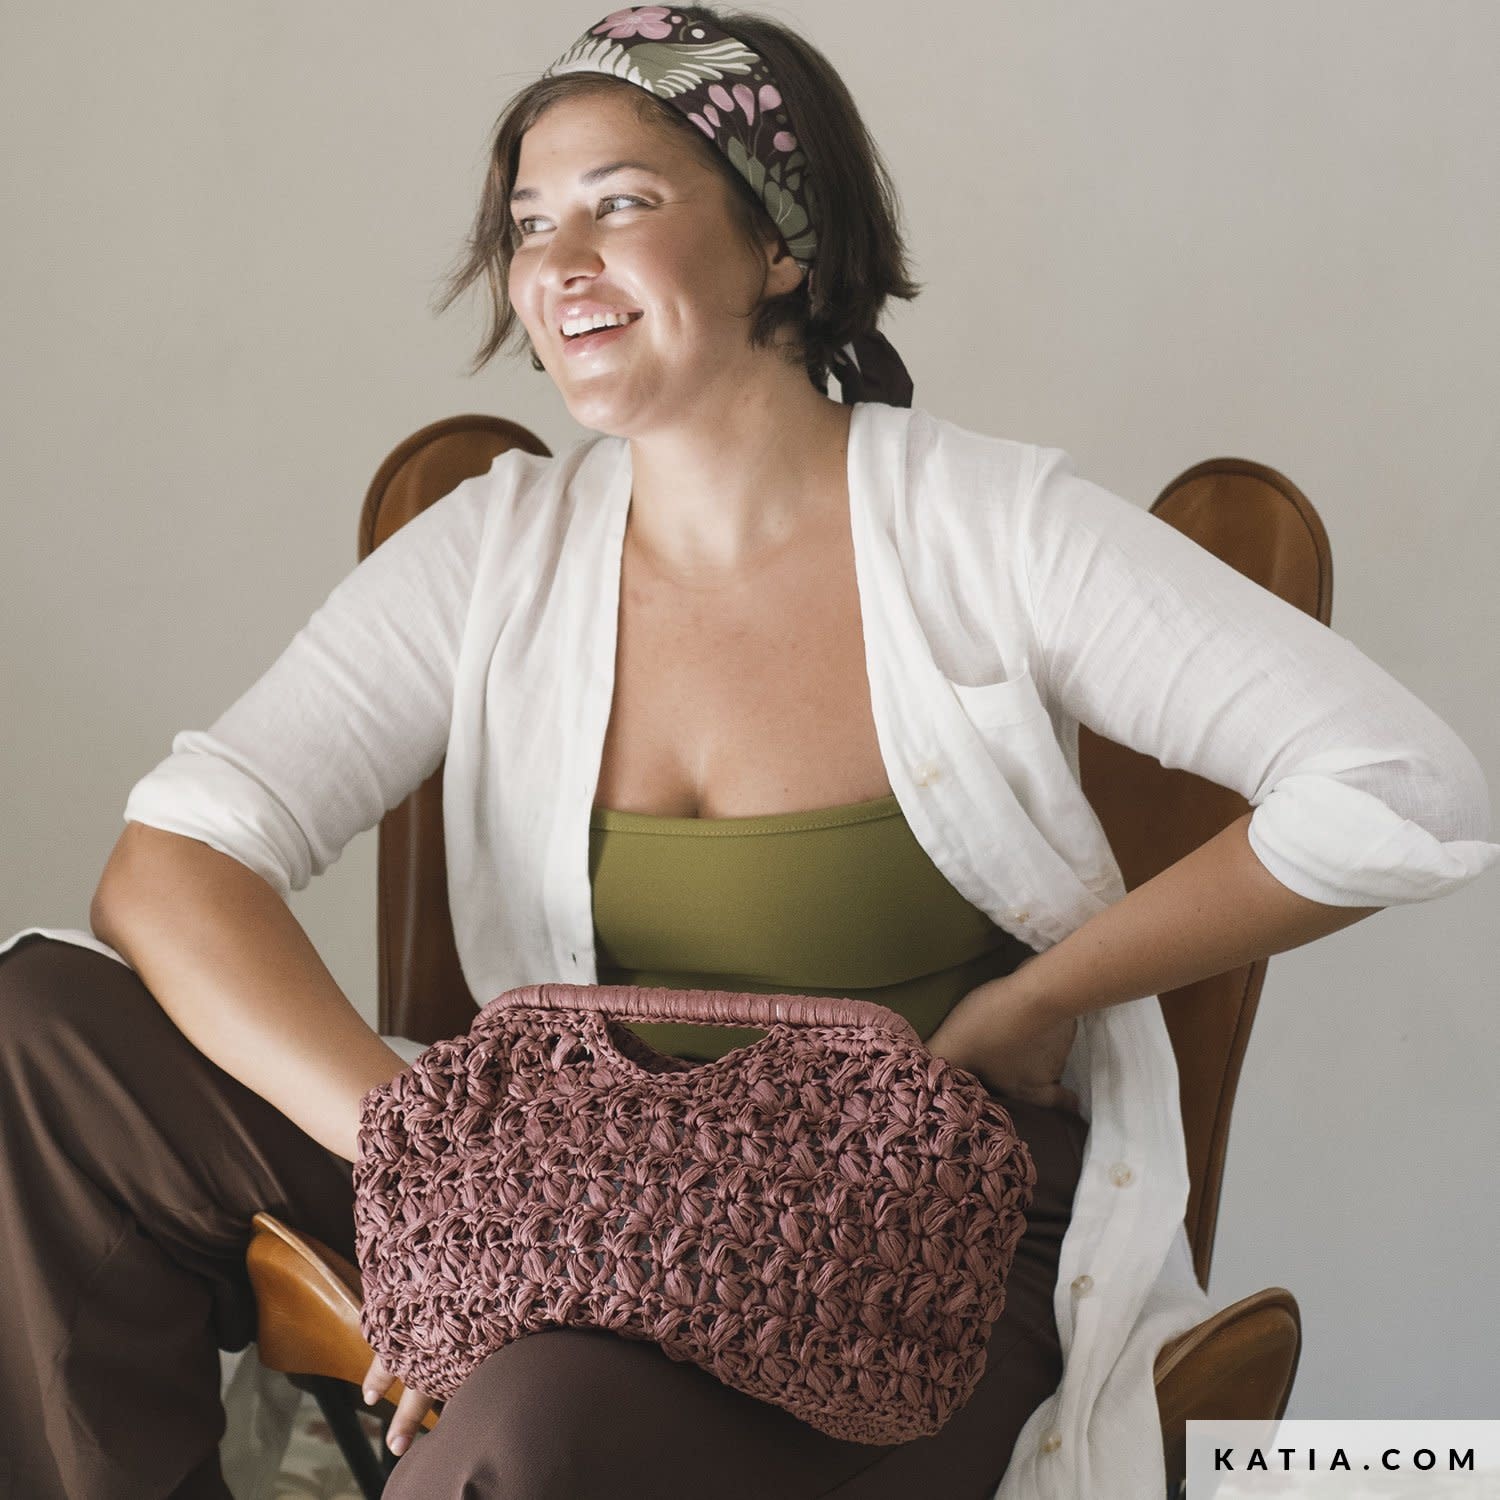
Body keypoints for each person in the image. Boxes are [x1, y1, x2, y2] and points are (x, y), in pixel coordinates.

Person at [1, 5, 1495, 1498]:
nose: (557, 262)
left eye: (619, 204)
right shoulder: (496, 550)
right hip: (557, 1168)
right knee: (43, 1029)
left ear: (781, 244)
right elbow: (176, 860)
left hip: (884, 1221)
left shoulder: (990, 532)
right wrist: (446, 1170)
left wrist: (1045, 995)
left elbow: (1403, 792)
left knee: (547, 1411)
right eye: (530, 222)